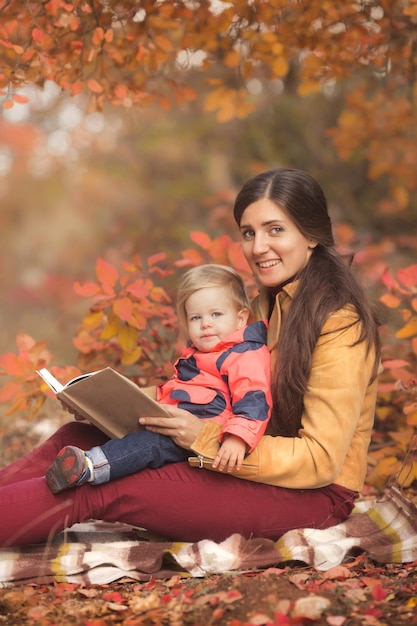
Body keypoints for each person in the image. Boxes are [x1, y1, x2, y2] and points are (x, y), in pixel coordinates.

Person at [0, 167, 381, 548]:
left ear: (311, 234)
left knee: (101, 483)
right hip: (243, 460)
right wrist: (110, 401)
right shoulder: (265, 305)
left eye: (275, 229)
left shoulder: (339, 323)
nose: (258, 247)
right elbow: (209, 384)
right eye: (249, 233)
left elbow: (320, 460)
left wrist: (204, 437)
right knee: (77, 436)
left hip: (313, 496)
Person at [45, 264, 272, 493]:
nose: (205, 324)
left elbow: (254, 398)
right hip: (174, 426)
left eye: (216, 314)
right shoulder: (199, 355)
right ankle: (71, 465)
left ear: (241, 318)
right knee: (132, 437)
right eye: (195, 317)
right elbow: (174, 391)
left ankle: (90, 466)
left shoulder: (244, 354)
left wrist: (237, 439)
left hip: (204, 439)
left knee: (151, 445)